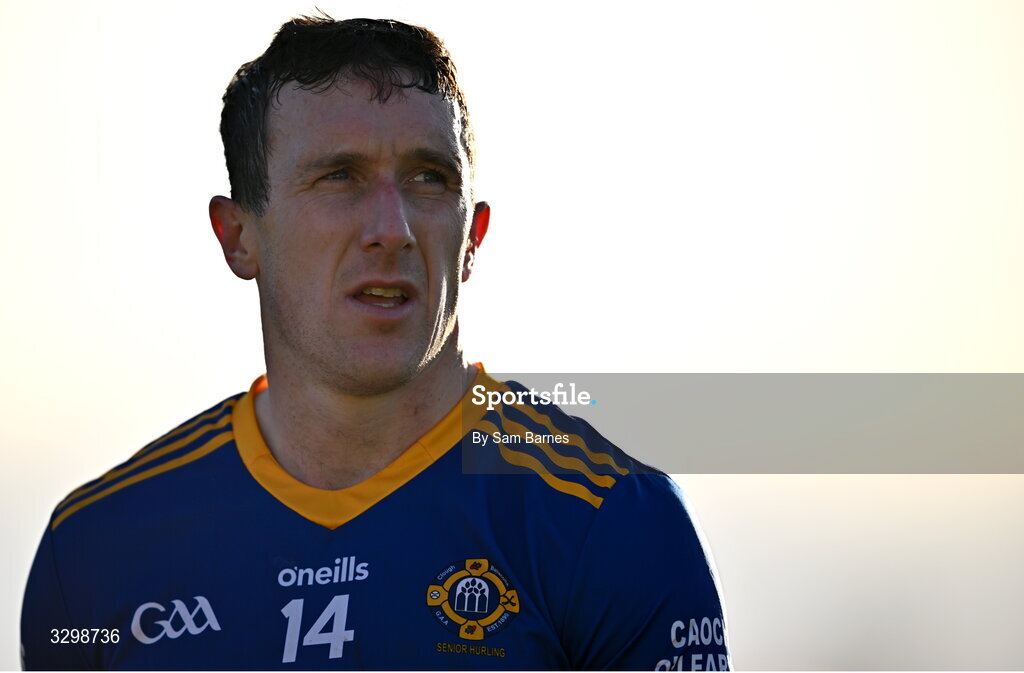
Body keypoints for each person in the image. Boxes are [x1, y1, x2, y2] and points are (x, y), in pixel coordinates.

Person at [21, 15, 730, 670]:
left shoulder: (613, 521)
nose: (392, 228)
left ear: (472, 238)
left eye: (429, 178)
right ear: (239, 236)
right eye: (340, 177)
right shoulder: (93, 551)